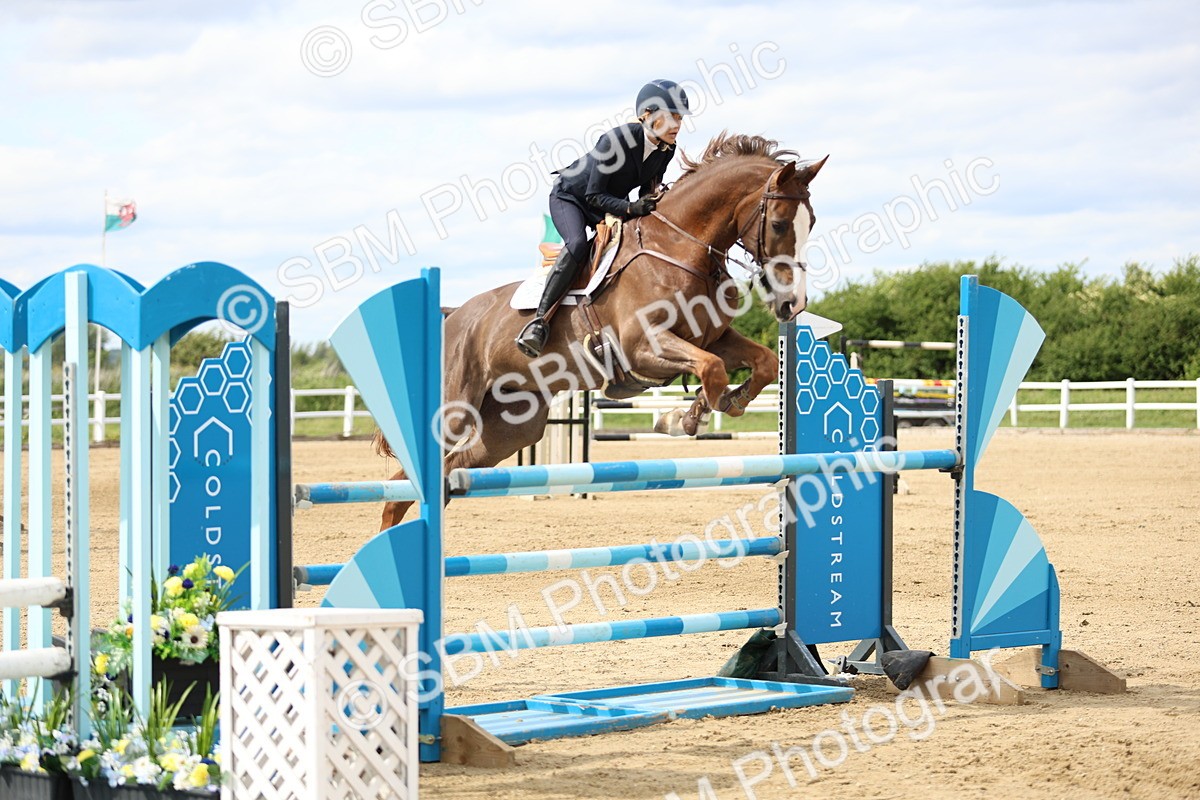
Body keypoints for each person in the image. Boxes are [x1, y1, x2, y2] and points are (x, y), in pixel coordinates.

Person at [515, 79, 691, 358]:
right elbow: (593, 194)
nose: (677, 125)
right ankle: (539, 322)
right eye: (670, 117)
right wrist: (632, 209)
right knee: (577, 245)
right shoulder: (616, 140)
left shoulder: (665, 150)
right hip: (572, 197)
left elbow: (648, 193)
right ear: (647, 116)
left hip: (608, 204)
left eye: (680, 118)